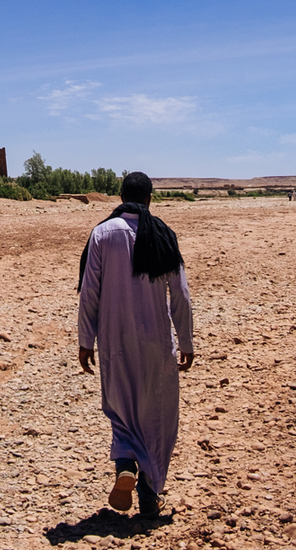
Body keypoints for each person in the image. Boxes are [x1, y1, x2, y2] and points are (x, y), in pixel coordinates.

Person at [77, 172, 194, 518]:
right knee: (157, 416)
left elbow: (89, 293)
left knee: (121, 410)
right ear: (149, 199)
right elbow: (181, 295)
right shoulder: (162, 235)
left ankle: (125, 463)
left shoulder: (102, 234)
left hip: (113, 341)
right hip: (157, 342)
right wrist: (186, 340)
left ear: (121, 196)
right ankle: (148, 491)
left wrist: (86, 340)